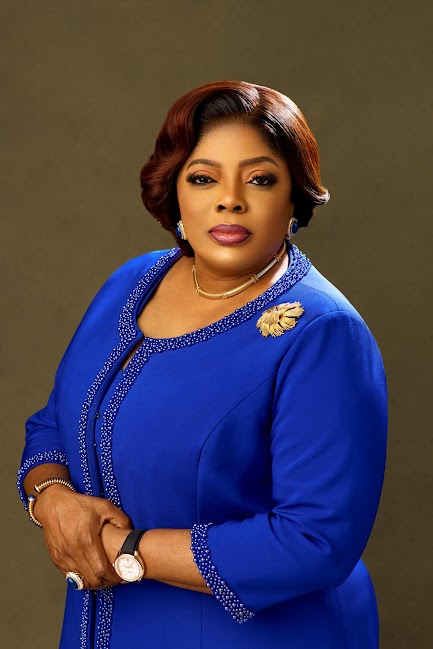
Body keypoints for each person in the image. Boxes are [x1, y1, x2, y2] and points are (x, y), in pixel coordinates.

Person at [17, 80, 388, 649]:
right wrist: (51, 499)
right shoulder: (131, 283)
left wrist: (128, 550)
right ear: (174, 191)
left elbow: (315, 540)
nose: (230, 200)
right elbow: (53, 424)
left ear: (295, 197)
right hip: (102, 628)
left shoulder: (323, 333)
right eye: (203, 178)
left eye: (260, 179)